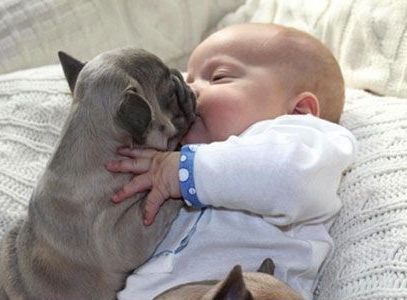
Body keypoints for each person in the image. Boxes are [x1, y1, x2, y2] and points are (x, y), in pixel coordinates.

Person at [107, 23, 358, 300]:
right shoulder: (177, 159)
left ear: (299, 112)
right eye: (188, 81)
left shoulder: (303, 141)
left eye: (218, 77)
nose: (190, 91)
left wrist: (183, 170)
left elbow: (289, 178)